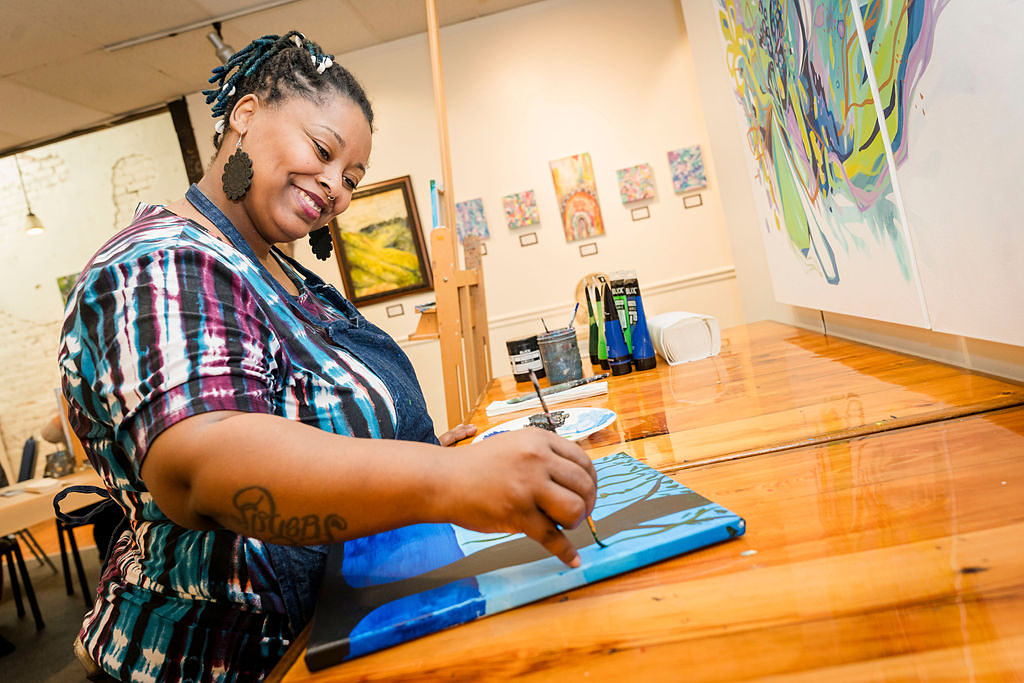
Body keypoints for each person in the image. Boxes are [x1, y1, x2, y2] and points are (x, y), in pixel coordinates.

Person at [58, 31, 596, 682]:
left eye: (351, 178)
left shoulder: (286, 275)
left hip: (347, 624)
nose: (336, 188)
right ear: (246, 114)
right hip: (228, 657)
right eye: (322, 150)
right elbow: (207, 463)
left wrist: (421, 452)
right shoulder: (158, 262)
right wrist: (447, 479)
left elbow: (313, 424)